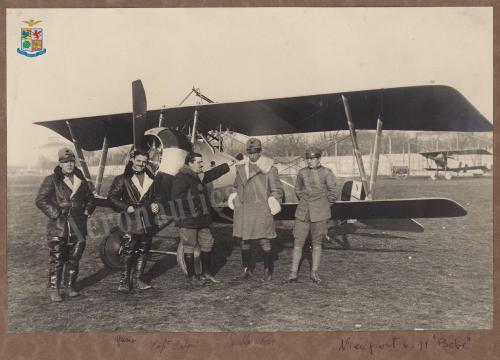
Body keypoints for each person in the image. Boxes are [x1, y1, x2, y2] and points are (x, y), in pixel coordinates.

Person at [35, 147, 96, 302]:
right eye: (65, 162)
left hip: (78, 226)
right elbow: (41, 200)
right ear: (60, 164)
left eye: (71, 161)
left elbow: (91, 198)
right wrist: (56, 214)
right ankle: (54, 289)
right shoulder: (51, 180)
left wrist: (88, 210)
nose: (69, 164)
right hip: (59, 227)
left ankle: (69, 286)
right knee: (57, 258)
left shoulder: (80, 180)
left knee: (75, 257)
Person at [171, 153, 235, 285]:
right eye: (199, 162)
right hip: (188, 218)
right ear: (190, 163)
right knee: (189, 246)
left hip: (202, 218)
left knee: (207, 243)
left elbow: (213, 174)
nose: (202, 165)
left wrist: (229, 164)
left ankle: (205, 274)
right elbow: (177, 198)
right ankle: (192, 278)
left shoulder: (198, 176)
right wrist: (196, 204)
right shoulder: (180, 177)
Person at [228, 138, 284, 281]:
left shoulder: (269, 168)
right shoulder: (241, 167)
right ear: (247, 152)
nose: (253, 155)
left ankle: (268, 269)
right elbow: (236, 185)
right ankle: (247, 270)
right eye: (250, 152)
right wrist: (234, 196)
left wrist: (273, 202)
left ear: (260, 151)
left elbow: (277, 190)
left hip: (261, 210)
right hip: (244, 210)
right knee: (244, 241)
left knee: (264, 240)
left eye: (256, 152)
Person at [107, 149, 160, 292]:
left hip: (148, 219)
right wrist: (126, 207)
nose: (141, 164)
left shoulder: (152, 179)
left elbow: (157, 196)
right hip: (130, 220)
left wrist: (156, 204)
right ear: (132, 160)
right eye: (138, 161)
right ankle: (124, 281)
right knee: (128, 250)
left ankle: (139, 279)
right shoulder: (122, 179)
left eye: (144, 162)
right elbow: (111, 198)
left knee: (144, 250)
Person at [287, 147, 337, 284]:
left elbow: (333, 194)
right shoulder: (302, 172)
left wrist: (323, 206)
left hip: (320, 214)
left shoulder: (327, 173)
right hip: (303, 213)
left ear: (319, 159)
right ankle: (293, 273)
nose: (310, 161)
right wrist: (304, 201)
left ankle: (314, 273)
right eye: (308, 158)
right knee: (298, 242)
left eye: (313, 158)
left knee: (317, 243)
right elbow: (297, 189)